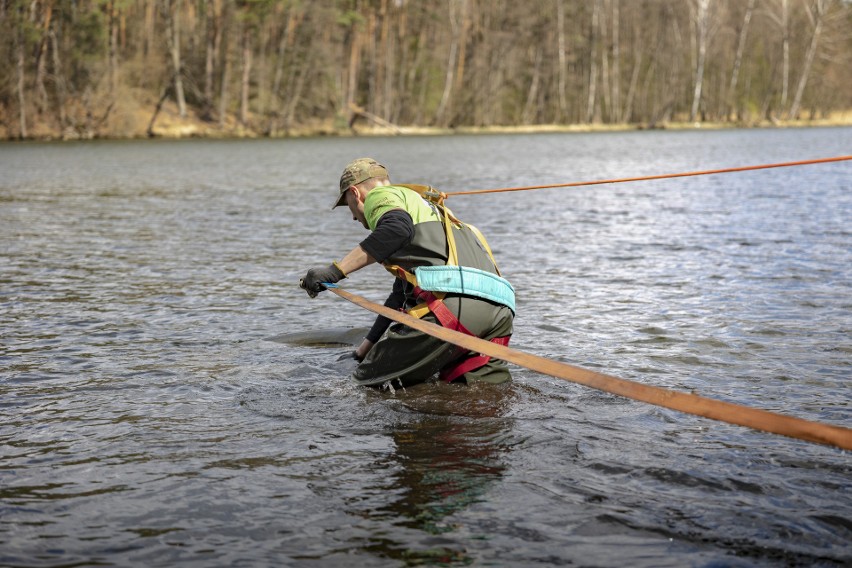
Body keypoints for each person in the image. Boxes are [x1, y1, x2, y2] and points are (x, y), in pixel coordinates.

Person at [300, 158, 515, 388]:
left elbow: (396, 229)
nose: (353, 216)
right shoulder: (428, 208)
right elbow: (400, 297)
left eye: (348, 205)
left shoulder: (379, 197)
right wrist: (363, 352)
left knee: (366, 384)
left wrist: (335, 272)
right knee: (481, 394)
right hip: (500, 314)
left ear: (355, 193)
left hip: (456, 309)